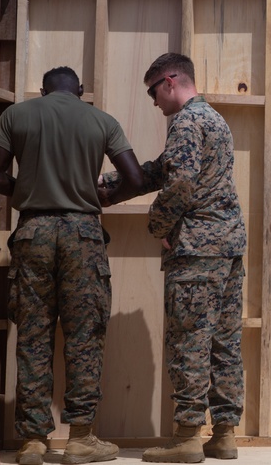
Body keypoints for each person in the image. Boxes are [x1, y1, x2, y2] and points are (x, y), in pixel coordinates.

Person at [0, 66, 144, 465]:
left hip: (33, 231)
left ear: (42, 90)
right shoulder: (101, 120)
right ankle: (81, 439)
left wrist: (28, 190)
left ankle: (33, 442)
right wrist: (102, 198)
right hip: (83, 235)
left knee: (33, 335)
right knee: (84, 337)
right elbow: (136, 178)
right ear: (81, 92)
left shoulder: (16, 115)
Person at [98, 53, 246, 463]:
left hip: (197, 251)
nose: (153, 102)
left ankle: (186, 438)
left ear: (170, 81)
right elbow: (161, 171)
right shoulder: (214, 119)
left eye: (152, 92)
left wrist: (159, 226)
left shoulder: (186, 122)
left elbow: (179, 184)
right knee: (224, 342)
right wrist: (108, 184)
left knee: (189, 341)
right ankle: (225, 434)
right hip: (229, 247)